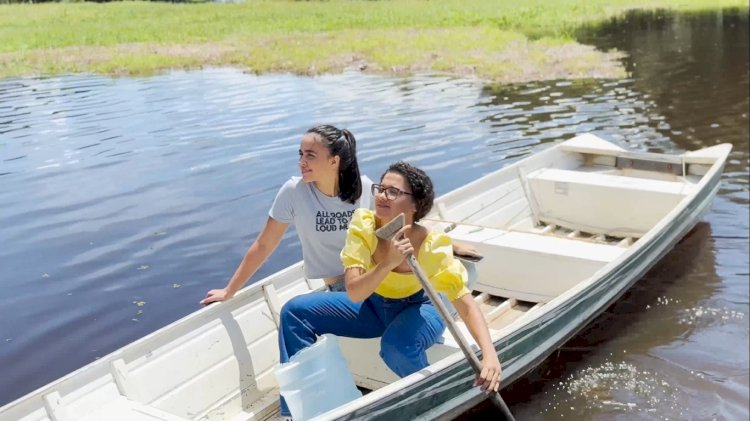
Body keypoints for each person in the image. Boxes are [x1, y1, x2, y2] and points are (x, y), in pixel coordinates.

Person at [277, 161, 502, 419]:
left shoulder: (431, 245)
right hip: (373, 304)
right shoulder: (364, 226)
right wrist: (389, 262)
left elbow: (465, 304)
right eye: (380, 189)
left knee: (397, 346)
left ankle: (436, 400)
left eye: (393, 192)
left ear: (415, 204)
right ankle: (297, 411)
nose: (382, 196)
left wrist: (489, 355)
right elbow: (355, 293)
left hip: (421, 306)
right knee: (295, 312)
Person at [200, 124, 372, 304]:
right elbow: (264, 244)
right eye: (301, 154)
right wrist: (229, 290)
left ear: (334, 161)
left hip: (377, 280)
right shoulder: (295, 192)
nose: (301, 162)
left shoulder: (365, 188)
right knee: (294, 310)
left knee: (293, 312)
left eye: (310, 155)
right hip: (342, 290)